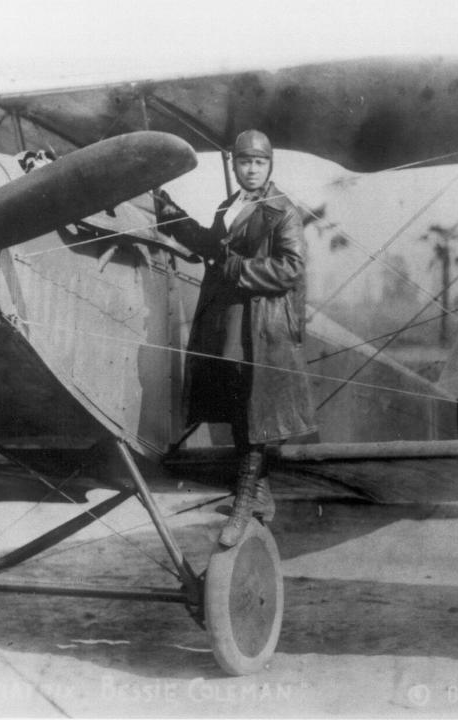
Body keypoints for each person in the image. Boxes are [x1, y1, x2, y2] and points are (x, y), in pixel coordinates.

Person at [156, 129, 316, 546]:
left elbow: (292, 268)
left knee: (252, 410)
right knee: (234, 401)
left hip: (259, 324)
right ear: (235, 165)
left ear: (269, 165)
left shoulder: (282, 212)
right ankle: (259, 494)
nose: (251, 169)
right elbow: (212, 246)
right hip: (228, 318)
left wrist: (239, 271)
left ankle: (245, 501)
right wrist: (172, 215)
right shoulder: (231, 205)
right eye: (244, 162)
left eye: (258, 162)